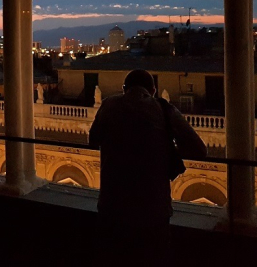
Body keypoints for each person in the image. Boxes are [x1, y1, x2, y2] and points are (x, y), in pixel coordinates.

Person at [88, 69, 207, 266]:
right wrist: (166, 148)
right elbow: (199, 150)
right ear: (153, 90)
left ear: (124, 89)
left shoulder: (108, 105)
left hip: (112, 207)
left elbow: (93, 140)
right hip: (152, 210)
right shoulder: (164, 110)